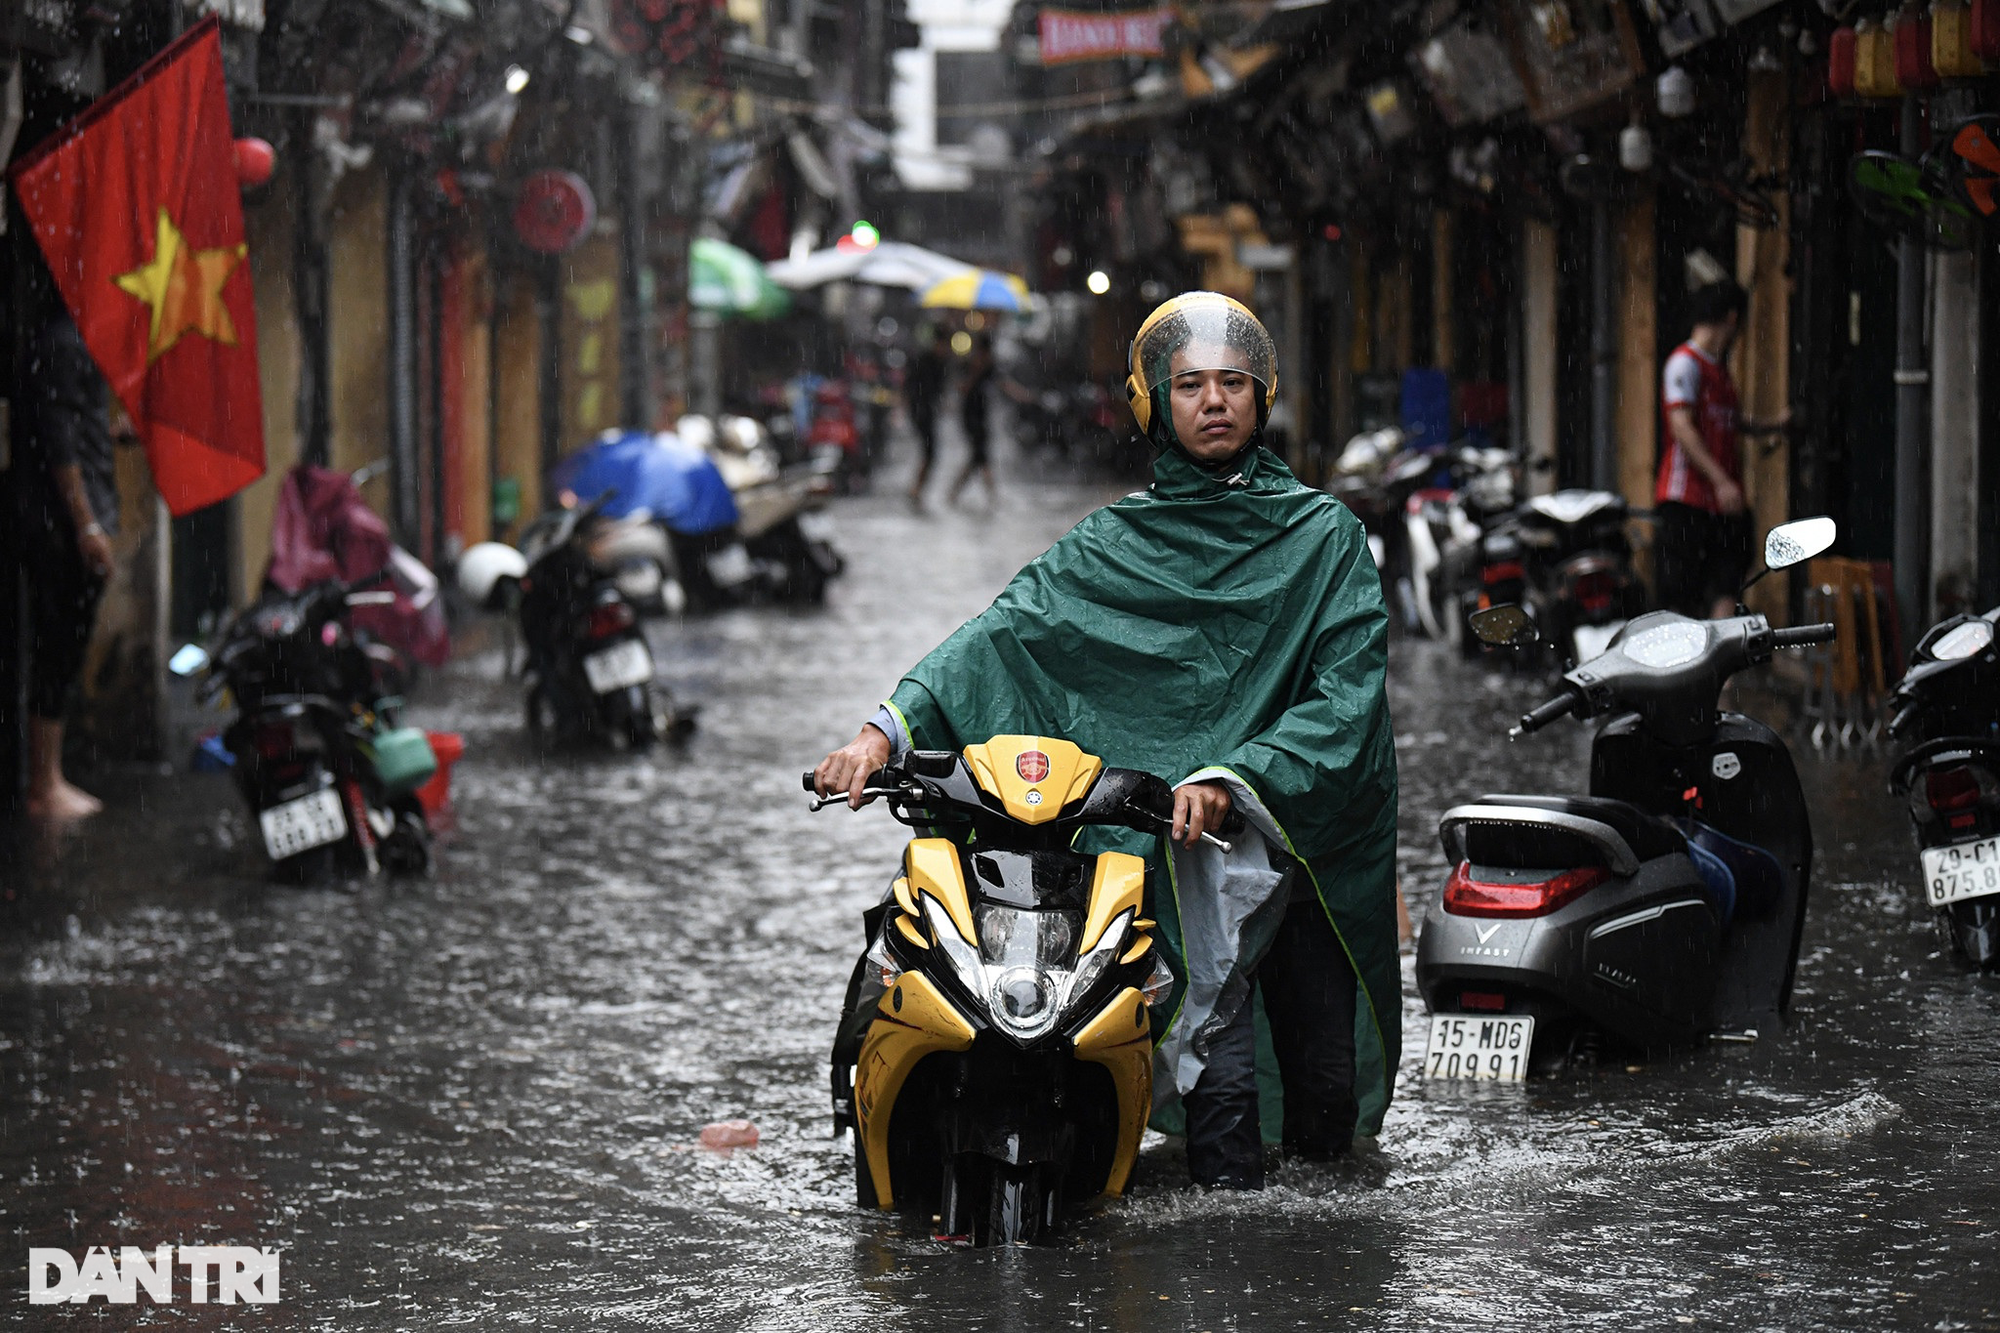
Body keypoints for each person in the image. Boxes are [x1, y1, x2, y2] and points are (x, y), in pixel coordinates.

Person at [815, 292, 1399, 1190]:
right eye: (1192, 384)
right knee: (1223, 1090)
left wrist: (1234, 776)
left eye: (1234, 384)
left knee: (1325, 1098)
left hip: (1302, 852)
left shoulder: (1326, 540)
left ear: (1262, 396)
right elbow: (1000, 637)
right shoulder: (1110, 546)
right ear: (1155, 403)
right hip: (1178, 858)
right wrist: (882, 731)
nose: (1214, 401)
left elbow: (1346, 700)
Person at [10, 305, 122, 821]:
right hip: (62, 531)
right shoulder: (63, 343)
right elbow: (59, 443)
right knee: (58, 646)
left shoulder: (80, 343)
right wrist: (87, 525)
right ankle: (43, 783)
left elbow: (75, 426)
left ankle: (47, 778)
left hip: (72, 523)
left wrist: (114, 432)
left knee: (66, 645)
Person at [1655, 279, 1790, 619]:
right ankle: (1687, 671)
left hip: (1723, 504)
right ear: (1732, 318)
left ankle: (1722, 672)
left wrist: (1771, 424)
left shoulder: (1719, 371)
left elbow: (1730, 421)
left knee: (1727, 584)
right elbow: (1682, 427)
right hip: (1688, 500)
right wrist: (1720, 480)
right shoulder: (1684, 364)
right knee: (1682, 596)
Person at [947, 334, 998, 506]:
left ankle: (955, 492)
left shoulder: (990, 367)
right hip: (971, 416)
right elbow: (962, 388)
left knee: (978, 457)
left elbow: (1002, 384)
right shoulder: (970, 365)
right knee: (980, 455)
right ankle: (991, 494)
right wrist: (975, 372)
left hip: (982, 415)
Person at [904, 326, 949, 504]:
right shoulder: (924, 360)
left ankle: (917, 488)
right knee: (930, 452)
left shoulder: (941, 363)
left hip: (928, 410)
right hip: (921, 410)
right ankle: (916, 489)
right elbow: (911, 385)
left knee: (930, 453)